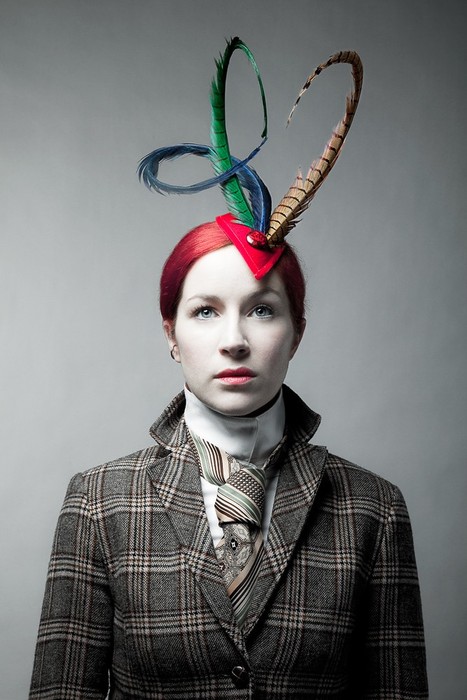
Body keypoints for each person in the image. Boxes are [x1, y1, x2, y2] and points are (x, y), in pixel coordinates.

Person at [30, 39, 428, 698]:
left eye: (262, 311)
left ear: (297, 332)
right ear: (171, 334)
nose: (235, 340)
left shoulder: (373, 511)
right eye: (206, 312)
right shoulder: (99, 503)